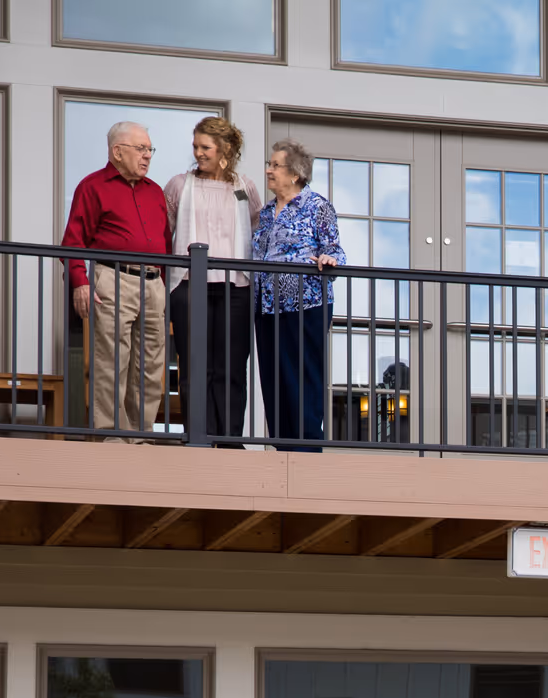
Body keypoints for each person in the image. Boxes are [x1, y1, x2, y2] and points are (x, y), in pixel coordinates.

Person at [62, 121, 170, 435]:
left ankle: (140, 437)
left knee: (150, 368)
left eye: (150, 149)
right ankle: (110, 436)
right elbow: (73, 240)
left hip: (152, 283)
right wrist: (80, 281)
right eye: (141, 148)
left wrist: (161, 282)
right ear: (117, 152)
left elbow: (165, 239)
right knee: (112, 363)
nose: (148, 155)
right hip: (113, 277)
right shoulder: (93, 186)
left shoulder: (156, 192)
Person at [163, 117, 262, 445]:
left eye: (205, 147)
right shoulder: (179, 184)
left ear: (225, 149)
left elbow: (258, 232)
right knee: (194, 367)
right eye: (196, 146)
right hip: (191, 285)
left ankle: (230, 438)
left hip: (237, 287)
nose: (198, 153)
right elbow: (164, 232)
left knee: (232, 368)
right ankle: (198, 436)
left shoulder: (245, 188)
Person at [253, 139, 343, 452]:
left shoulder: (317, 206)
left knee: (304, 378)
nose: (268, 170)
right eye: (270, 164)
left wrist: (328, 260)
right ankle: (283, 447)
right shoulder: (265, 213)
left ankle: (306, 449)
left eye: (275, 165)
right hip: (266, 307)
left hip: (307, 303)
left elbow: (334, 250)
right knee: (274, 377)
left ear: (295, 174)